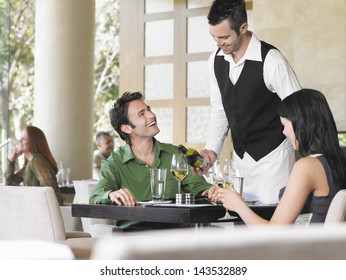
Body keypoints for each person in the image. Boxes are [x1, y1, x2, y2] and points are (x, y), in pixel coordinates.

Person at [196, 0, 303, 204]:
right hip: (240, 164)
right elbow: (220, 111)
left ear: (243, 27)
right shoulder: (215, 61)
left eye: (224, 37)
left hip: (274, 161)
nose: (219, 44)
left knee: (273, 228)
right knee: (242, 225)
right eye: (214, 37)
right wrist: (211, 150)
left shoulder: (272, 60)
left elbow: (300, 111)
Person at [210, 89, 346, 224]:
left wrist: (238, 205)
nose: (284, 132)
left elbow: (274, 233)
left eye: (285, 125)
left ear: (302, 124)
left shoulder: (308, 166)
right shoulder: (337, 162)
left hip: (308, 246)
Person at [89, 91, 211, 229]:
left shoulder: (174, 154)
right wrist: (111, 194)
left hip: (176, 236)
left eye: (149, 110)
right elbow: (95, 197)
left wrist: (210, 191)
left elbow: (198, 186)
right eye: (142, 114)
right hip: (135, 238)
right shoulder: (114, 163)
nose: (152, 115)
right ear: (126, 128)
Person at [5, 125, 64, 206]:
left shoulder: (37, 160)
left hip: (44, 211)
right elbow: (10, 183)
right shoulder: (30, 163)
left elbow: (48, 190)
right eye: (20, 138)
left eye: (24, 139)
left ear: (33, 141)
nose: (20, 141)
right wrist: (11, 161)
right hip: (38, 209)